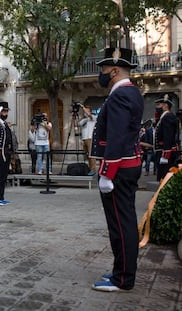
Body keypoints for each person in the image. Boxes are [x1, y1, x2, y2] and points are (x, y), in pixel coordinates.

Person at [90, 47, 144, 292]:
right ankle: (121, 271)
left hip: (119, 168)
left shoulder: (121, 95)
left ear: (113, 70)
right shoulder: (129, 92)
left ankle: (122, 279)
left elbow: (117, 136)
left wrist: (107, 173)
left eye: (103, 69)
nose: (100, 74)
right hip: (126, 165)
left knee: (121, 225)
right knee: (124, 222)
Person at [153, 94, 179, 181]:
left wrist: (165, 156)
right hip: (161, 151)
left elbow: (168, 136)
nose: (157, 107)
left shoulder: (168, 117)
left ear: (165, 105)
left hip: (165, 152)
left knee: (164, 177)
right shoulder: (163, 117)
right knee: (161, 177)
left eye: (159, 104)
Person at [78, 105, 97, 176]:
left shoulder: (93, 117)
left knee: (91, 155)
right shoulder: (84, 120)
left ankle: (93, 170)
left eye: (87, 110)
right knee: (87, 155)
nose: (85, 112)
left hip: (90, 138)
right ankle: (89, 168)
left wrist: (82, 107)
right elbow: (78, 124)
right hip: (84, 139)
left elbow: (89, 115)